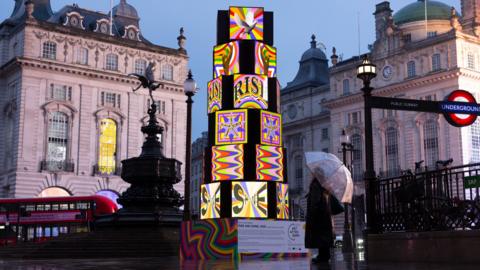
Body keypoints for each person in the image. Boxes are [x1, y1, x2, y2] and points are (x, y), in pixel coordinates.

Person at [305, 178, 334, 263]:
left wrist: (312, 215)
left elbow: (315, 202)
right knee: (323, 237)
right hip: (324, 216)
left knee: (320, 237)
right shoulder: (323, 184)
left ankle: (322, 257)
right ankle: (324, 256)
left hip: (318, 217)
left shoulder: (315, 184)